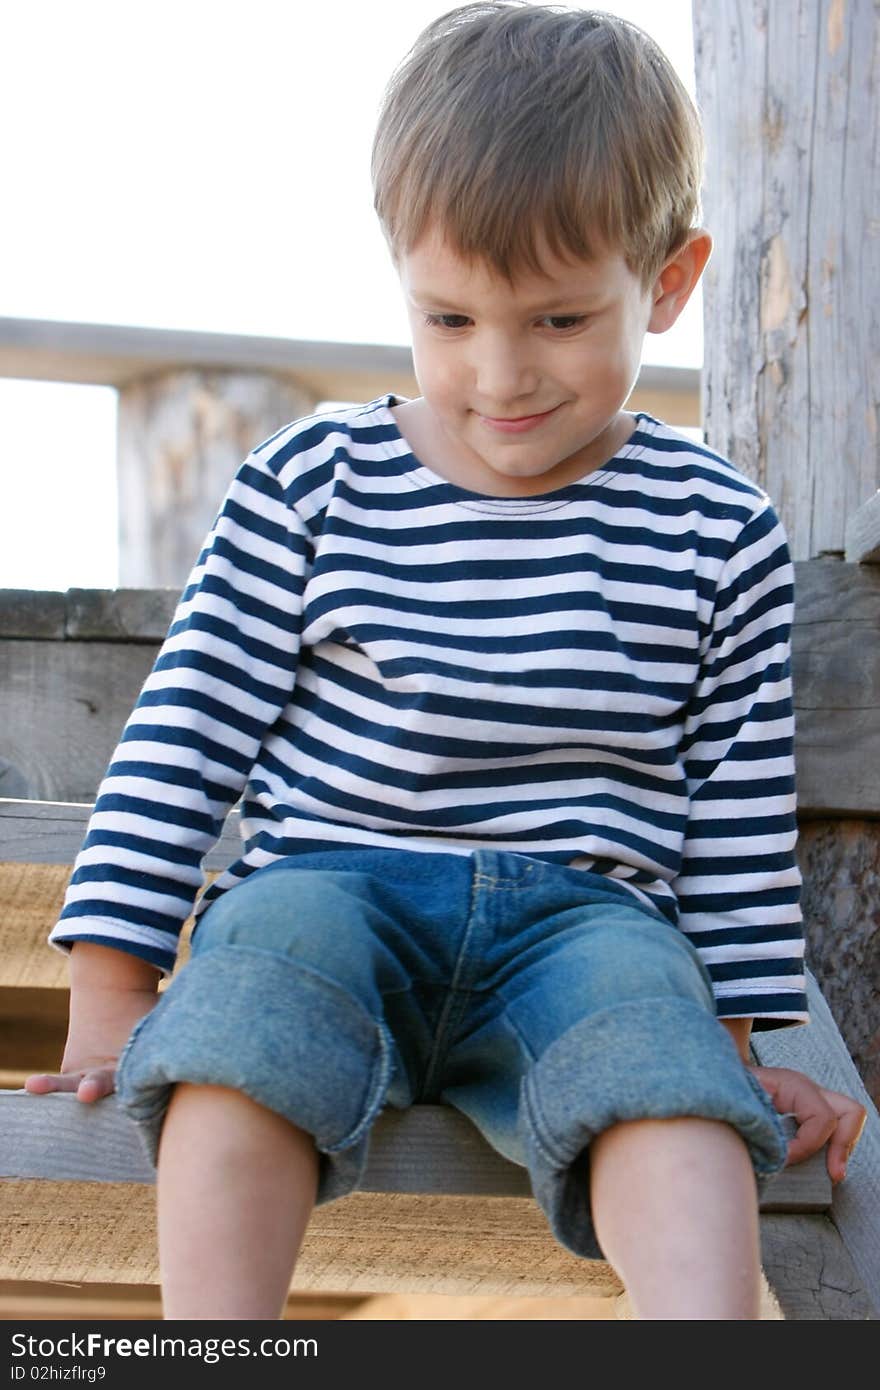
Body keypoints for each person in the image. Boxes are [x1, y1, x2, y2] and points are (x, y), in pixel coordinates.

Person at [27, 2, 865, 1320]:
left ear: (670, 279)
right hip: (327, 886)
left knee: (666, 1073)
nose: (501, 372)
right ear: (400, 276)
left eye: (558, 319)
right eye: (451, 316)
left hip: (587, 920)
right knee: (239, 1028)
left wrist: (738, 1045)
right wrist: (113, 991)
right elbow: (181, 744)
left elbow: (731, 816)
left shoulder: (716, 528)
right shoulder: (317, 484)